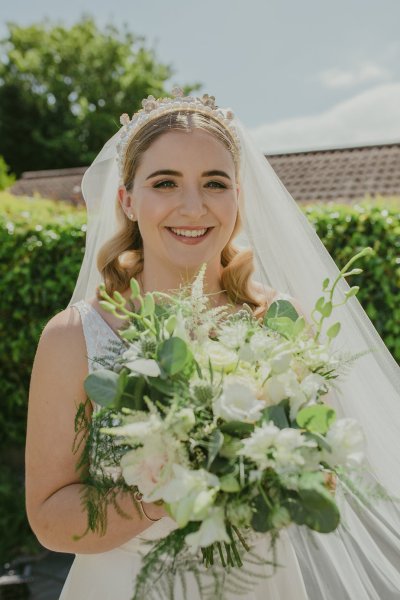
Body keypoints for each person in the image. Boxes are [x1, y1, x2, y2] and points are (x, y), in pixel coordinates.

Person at [25, 89, 400, 599]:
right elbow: (49, 517)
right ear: (127, 200)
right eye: (165, 182)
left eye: (214, 183)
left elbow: (322, 477)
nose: (193, 206)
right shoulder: (74, 338)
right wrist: (171, 487)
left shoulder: (285, 323)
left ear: (238, 198)